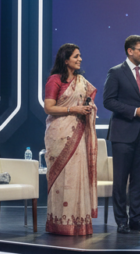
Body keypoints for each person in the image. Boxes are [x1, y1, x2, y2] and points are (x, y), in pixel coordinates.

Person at [103, 35, 140, 234]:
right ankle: (121, 221)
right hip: (122, 134)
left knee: (138, 179)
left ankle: (136, 219)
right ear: (130, 51)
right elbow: (108, 101)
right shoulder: (116, 72)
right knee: (120, 180)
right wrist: (135, 111)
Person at [44, 43, 98, 235]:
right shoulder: (55, 80)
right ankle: (60, 223)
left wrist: (88, 108)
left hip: (78, 134)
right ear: (65, 60)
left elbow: (88, 100)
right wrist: (73, 109)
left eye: (80, 55)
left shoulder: (81, 81)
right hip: (59, 135)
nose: (80, 59)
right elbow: (48, 108)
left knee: (77, 177)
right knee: (61, 179)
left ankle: (78, 223)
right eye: (76, 56)